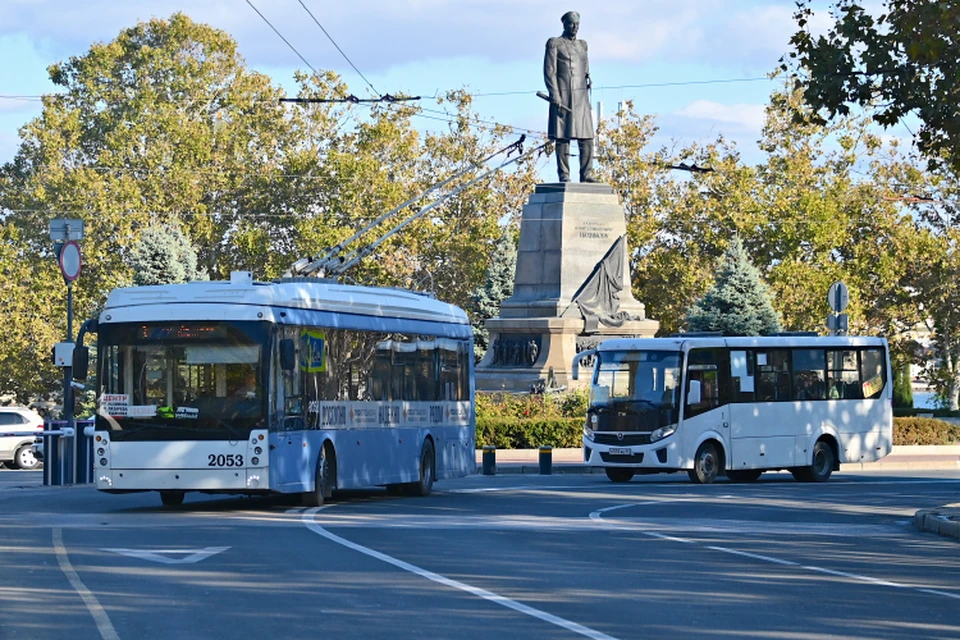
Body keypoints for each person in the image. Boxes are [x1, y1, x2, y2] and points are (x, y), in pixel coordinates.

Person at [544, 11, 596, 183]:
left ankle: (586, 174)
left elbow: (586, 69)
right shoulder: (555, 43)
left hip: (581, 98)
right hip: (563, 96)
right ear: (564, 24)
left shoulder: (583, 45)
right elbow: (550, 71)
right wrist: (555, 94)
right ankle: (564, 175)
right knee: (562, 137)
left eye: (577, 24)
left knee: (587, 137)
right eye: (571, 24)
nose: (575, 28)